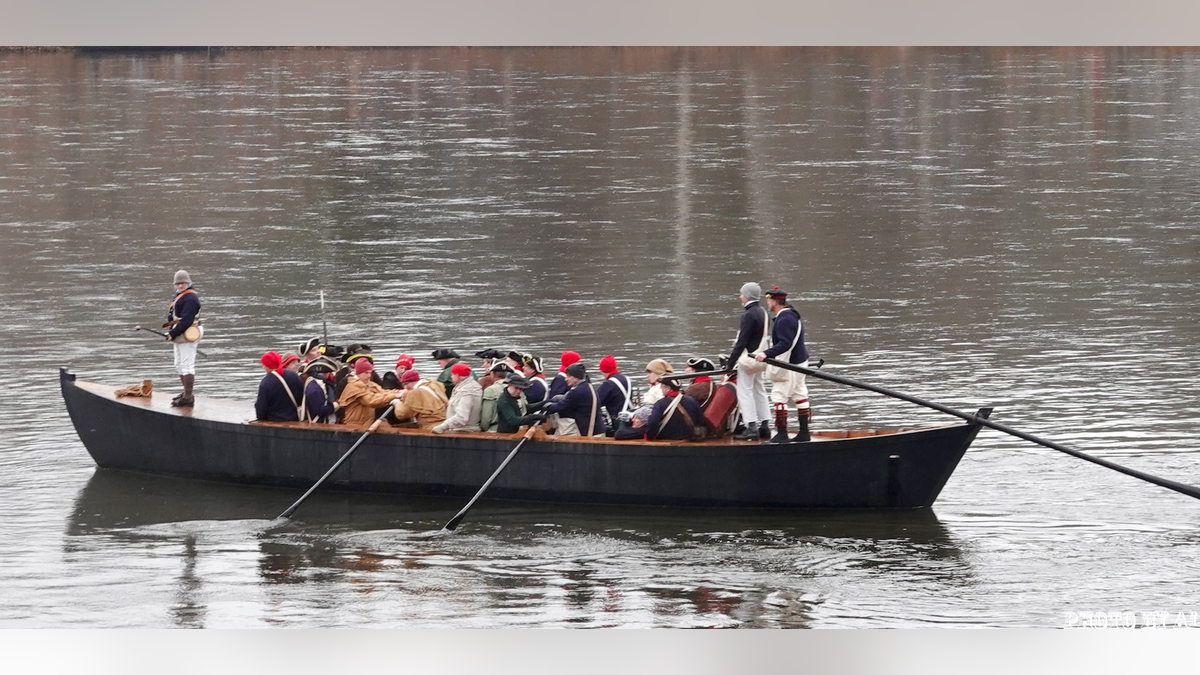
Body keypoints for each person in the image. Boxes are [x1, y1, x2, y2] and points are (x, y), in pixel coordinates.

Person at [755, 286, 812, 443]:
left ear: (774, 301)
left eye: (768, 300)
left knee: (779, 396)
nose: (767, 303)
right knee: (800, 395)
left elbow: (785, 343)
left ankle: (782, 434)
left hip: (790, 365)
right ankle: (804, 433)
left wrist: (766, 353)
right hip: (800, 362)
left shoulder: (785, 318)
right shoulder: (792, 315)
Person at [727, 282, 772, 441]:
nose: (740, 296)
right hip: (762, 358)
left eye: (742, 294)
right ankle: (765, 425)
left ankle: (751, 426)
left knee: (744, 391)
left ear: (747, 296)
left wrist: (729, 364)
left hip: (749, 359)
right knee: (760, 389)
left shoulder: (748, 315)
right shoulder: (763, 312)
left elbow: (741, 343)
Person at [535, 362, 606, 437]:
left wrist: (547, 406)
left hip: (588, 433)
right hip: (599, 430)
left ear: (576, 377)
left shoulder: (576, 391)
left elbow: (559, 407)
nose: (566, 379)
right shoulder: (589, 386)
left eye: (568, 376)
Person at [164, 269, 202, 407]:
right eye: (178, 283)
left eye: (183, 283)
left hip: (189, 332)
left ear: (188, 282)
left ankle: (187, 398)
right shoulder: (180, 295)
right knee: (178, 364)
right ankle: (187, 394)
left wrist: (172, 334)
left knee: (187, 365)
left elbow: (186, 321)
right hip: (180, 332)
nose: (180, 286)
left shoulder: (190, 298)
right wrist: (172, 332)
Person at [336, 358, 402, 426]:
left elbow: (382, 392)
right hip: (355, 426)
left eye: (370, 373)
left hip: (367, 423)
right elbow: (371, 400)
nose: (369, 376)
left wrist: (398, 392)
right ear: (358, 373)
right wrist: (394, 396)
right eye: (366, 373)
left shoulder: (369, 384)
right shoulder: (353, 386)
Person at [432, 363, 483, 433]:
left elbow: (461, 417)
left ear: (457, 376)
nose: (451, 377)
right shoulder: (474, 387)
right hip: (469, 429)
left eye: (453, 374)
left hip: (464, 431)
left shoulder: (465, 392)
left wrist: (442, 427)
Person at [255, 351, 304, 422]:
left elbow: (261, 410)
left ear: (267, 366)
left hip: (273, 421)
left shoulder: (265, 383)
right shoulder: (294, 375)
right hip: (294, 419)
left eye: (264, 364)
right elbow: (301, 397)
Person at [595, 355, 633, 427]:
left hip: (619, 422)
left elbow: (596, 401)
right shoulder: (626, 379)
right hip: (629, 418)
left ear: (603, 370)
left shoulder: (608, 384)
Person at [300, 356, 340, 423]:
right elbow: (321, 410)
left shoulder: (314, 383)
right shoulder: (315, 388)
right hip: (318, 424)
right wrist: (336, 405)